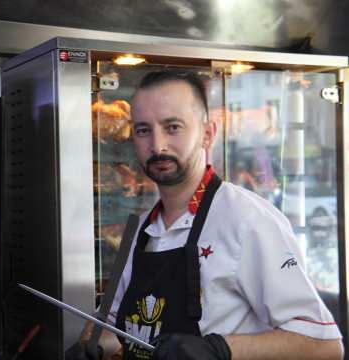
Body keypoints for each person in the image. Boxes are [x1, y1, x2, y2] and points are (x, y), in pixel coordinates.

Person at [73, 70, 344, 360]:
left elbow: (324, 345)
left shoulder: (248, 221)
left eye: (173, 127)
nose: (157, 145)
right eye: (143, 130)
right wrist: (93, 344)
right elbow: (109, 325)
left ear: (207, 134)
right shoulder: (136, 230)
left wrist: (220, 349)